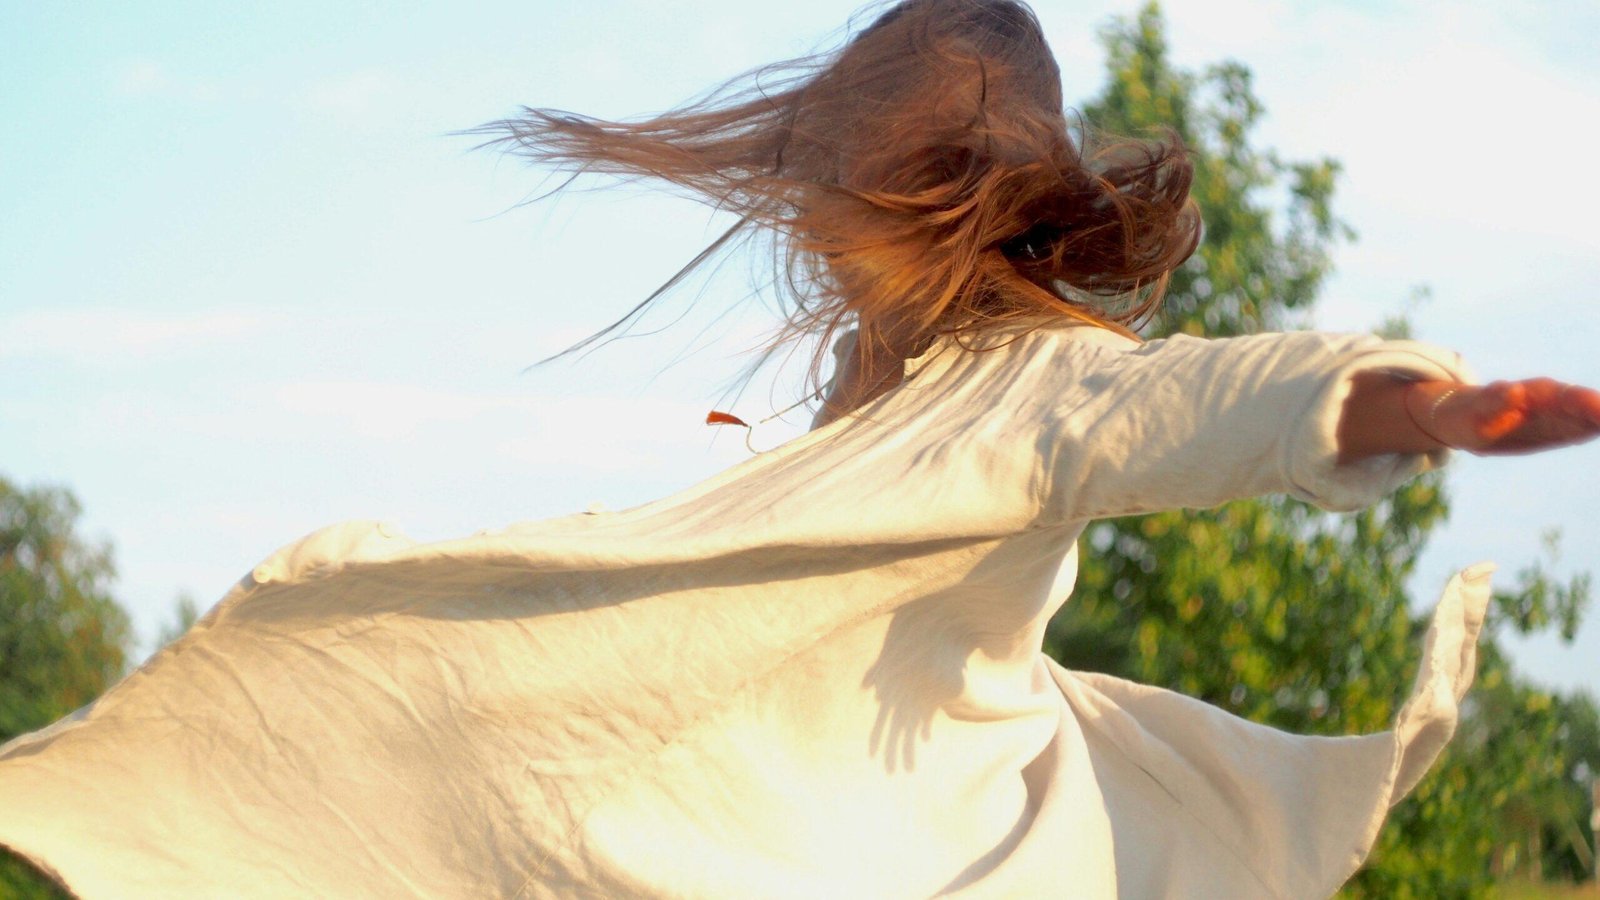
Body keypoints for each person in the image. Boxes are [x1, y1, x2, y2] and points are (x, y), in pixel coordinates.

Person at [2, 1, 1598, 897]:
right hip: (784, 822)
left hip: (956, 846)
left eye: (847, 198)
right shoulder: (865, 385)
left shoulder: (1035, 381)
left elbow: (1205, 398)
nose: (817, 236)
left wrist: (1414, 401)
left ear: (916, 194)